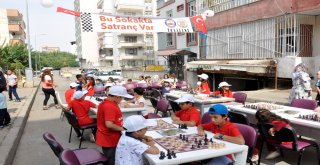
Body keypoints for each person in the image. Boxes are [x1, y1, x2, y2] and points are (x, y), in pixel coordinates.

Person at [96, 86, 133, 165]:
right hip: (110, 138)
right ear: (117, 96)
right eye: (122, 98)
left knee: (110, 157)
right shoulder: (109, 106)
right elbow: (109, 124)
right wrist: (122, 129)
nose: (122, 99)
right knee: (112, 159)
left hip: (107, 137)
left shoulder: (107, 103)